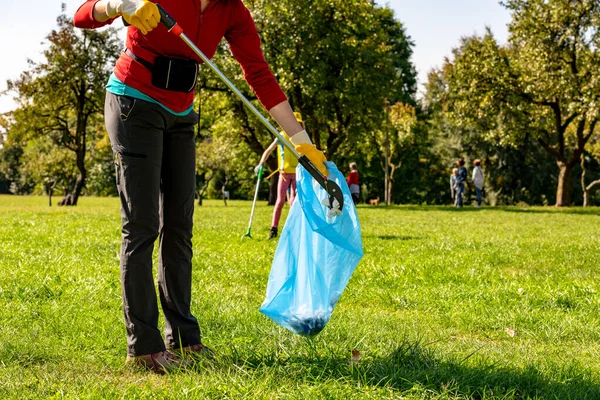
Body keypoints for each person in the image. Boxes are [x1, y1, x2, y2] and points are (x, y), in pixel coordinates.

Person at [74, 0, 328, 373]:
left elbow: (258, 73)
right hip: (134, 103)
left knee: (179, 228)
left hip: (181, 114)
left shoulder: (233, 11)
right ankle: (144, 348)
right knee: (142, 227)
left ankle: (185, 340)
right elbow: (82, 15)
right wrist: (119, 5)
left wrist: (301, 140)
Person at [255, 112, 303, 240]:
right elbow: (268, 150)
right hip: (284, 174)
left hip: (298, 173)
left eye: (298, 124)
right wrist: (261, 163)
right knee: (280, 201)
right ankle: (274, 229)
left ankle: (294, 229)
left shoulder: (301, 138)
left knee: (294, 202)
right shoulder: (281, 137)